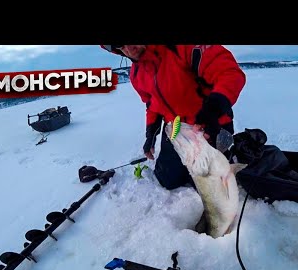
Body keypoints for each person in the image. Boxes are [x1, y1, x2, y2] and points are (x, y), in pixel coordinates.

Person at [100, 45, 246, 190]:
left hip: (210, 125)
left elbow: (229, 73)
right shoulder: (136, 74)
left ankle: (229, 157)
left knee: (208, 183)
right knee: (168, 179)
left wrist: (214, 109)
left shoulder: (182, 48)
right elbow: (152, 105)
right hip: (177, 128)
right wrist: (151, 134)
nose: (129, 48)